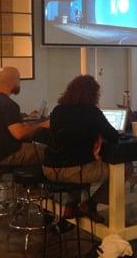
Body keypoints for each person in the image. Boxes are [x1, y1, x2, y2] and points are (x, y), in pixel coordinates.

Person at [43, 75, 119, 223]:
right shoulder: (92, 112)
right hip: (76, 171)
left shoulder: (58, 110)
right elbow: (113, 136)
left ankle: (71, 205)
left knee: (81, 159)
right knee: (125, 168)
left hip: (50, 170)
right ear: (93, 94)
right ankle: (90, 204)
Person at [0, 67, 49, 165]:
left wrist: (27, 125)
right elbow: (20, 134)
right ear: (11, 82)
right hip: (5, 155)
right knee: (49, 152)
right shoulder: (9, 104)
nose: (19, 83)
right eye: (18, 80)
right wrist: (43, 125)